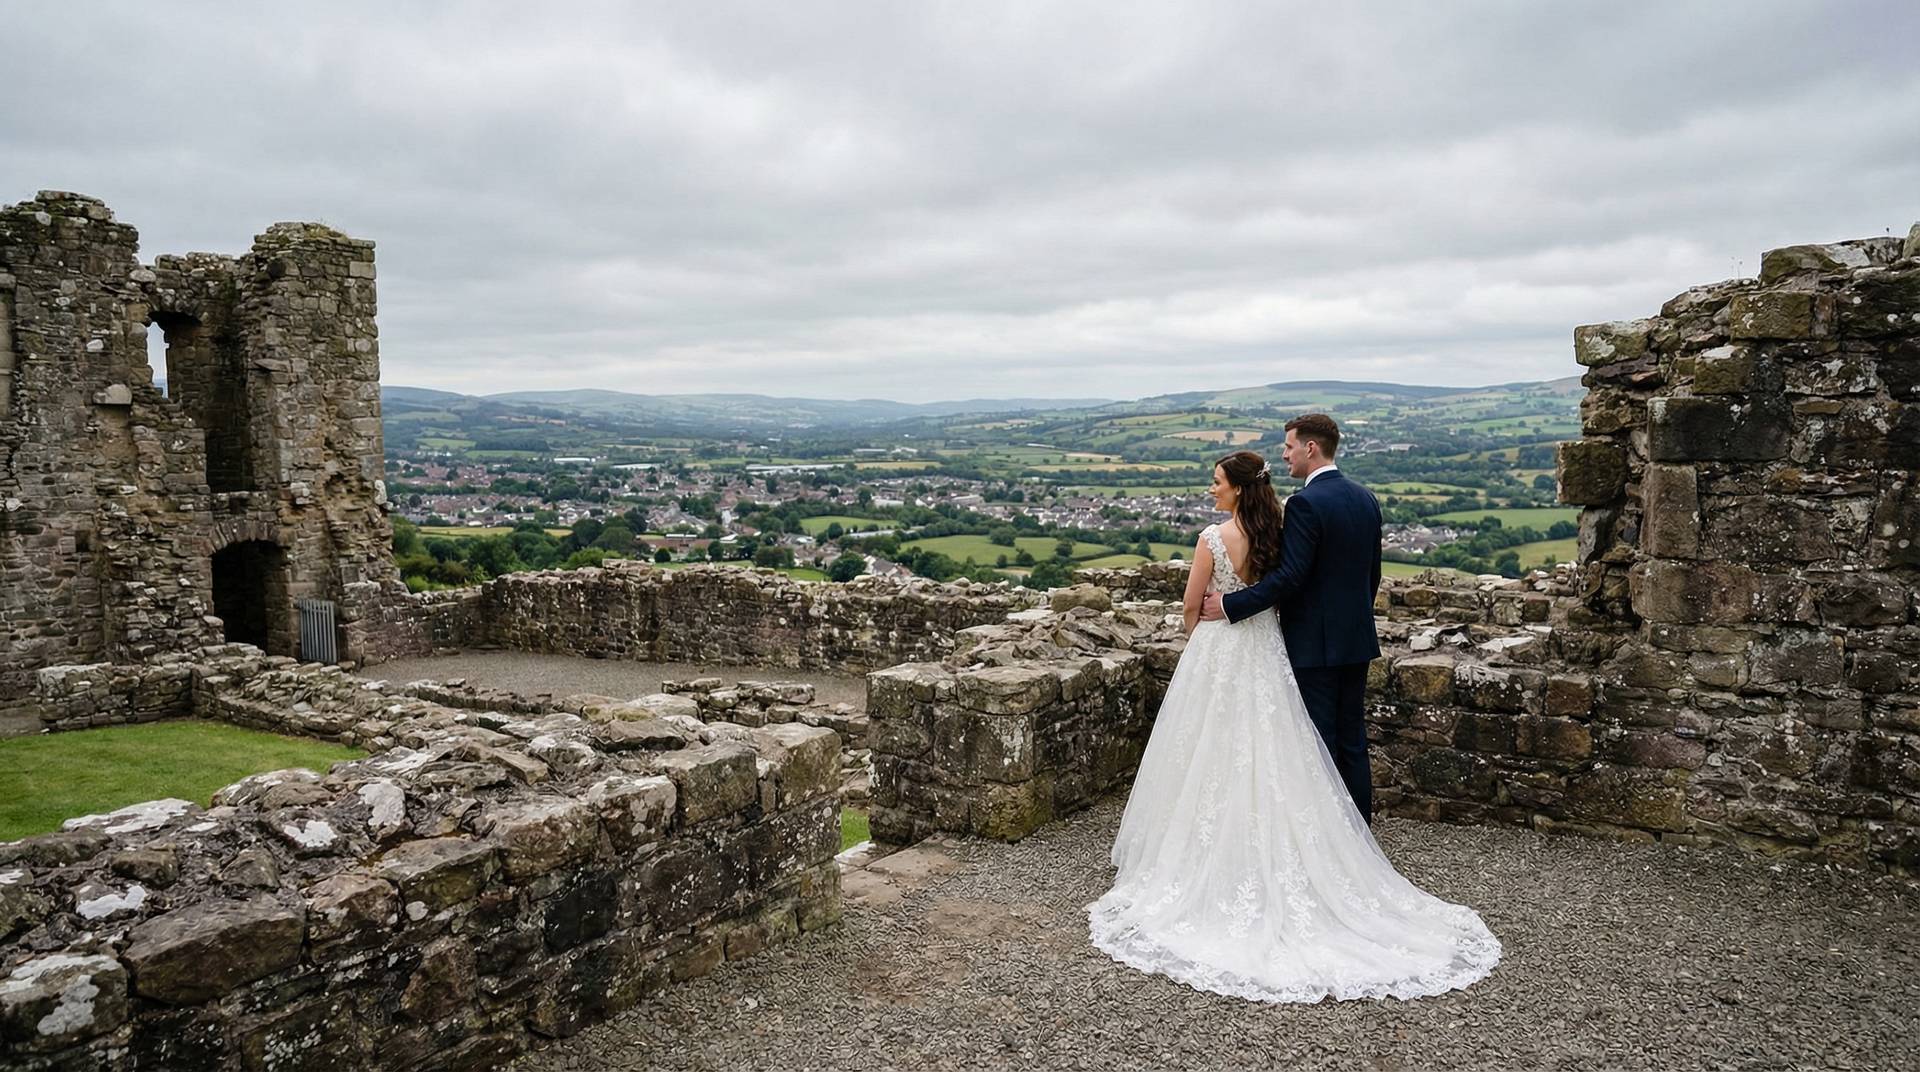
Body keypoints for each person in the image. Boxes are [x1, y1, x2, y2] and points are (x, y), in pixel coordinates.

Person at [1086, 442, 1499, 1003]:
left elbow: (1204, 602)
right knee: (1304, 747)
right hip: (1298, 645)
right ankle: (1349, 843)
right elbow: (1355, 575)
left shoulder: (1216, 536)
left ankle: (1269, 852)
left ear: (1238, 486)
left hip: (1231, 643)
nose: (1211, 488)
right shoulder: (1307, 519)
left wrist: (1210, 630)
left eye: (1216, 481)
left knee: (1221, 747)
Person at [1200, 413, 1381, 820]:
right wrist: (1353, 620)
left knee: (1317, 741)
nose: (1284, 455)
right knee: (1352, 740)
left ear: (1310, 448)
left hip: (1313, 642)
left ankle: (1329, 835)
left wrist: (1230, 605)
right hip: (1356, 639)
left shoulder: (1304, 503)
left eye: (1288, 447)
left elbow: (1290, 576)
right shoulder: (1366, 498)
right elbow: (1373, 575)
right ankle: (1359, 833)